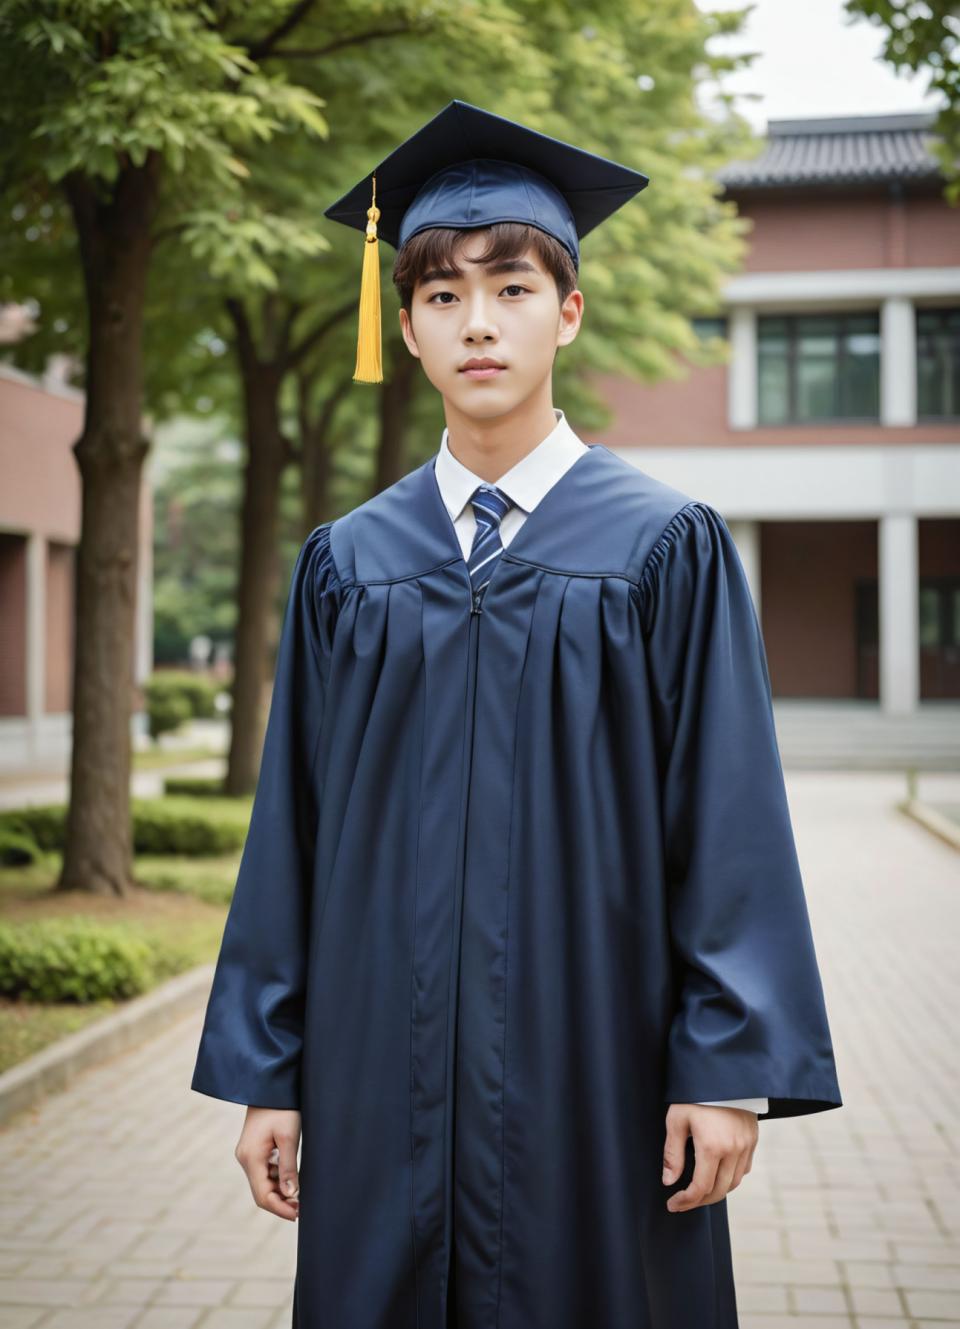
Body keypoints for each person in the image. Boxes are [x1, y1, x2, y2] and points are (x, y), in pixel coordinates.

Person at [191, 99, 843, 1329]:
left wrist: (727, 1074)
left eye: (511, 287)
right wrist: (267, 1071)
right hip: (381, 1069)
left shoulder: (664, 548)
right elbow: (295, 828)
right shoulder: (347, 563)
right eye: (442, 295)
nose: (478, 321)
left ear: (569, 311)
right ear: (406, 327)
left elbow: (729, 820)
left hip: (597, 1066)